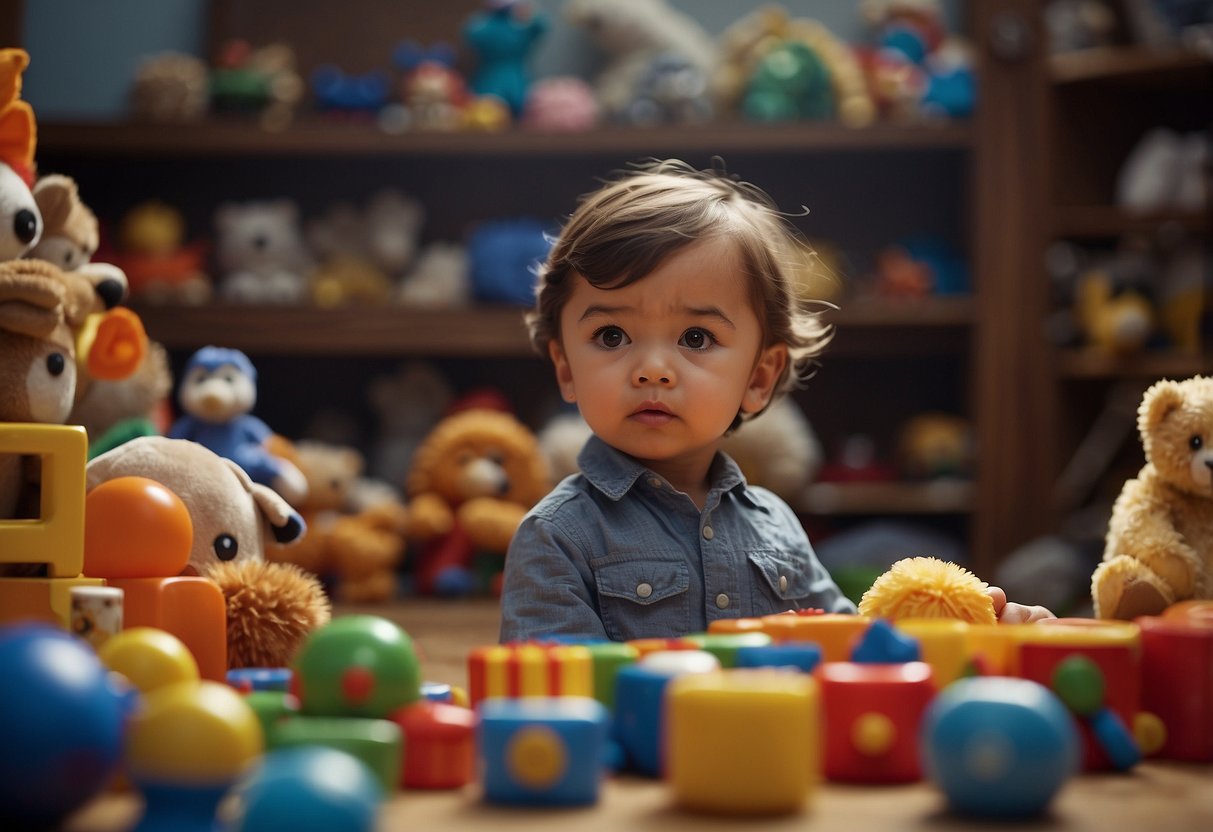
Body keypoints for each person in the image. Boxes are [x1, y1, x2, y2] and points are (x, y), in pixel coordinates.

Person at [499, 159, 1050, 642]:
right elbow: (554, 698)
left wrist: (969, 630)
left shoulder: (776, 527)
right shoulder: (556, 537)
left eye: (696, 338)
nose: (652, 370)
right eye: (612, 336)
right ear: (566, 368)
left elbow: (851, 651)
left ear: (759, 378)